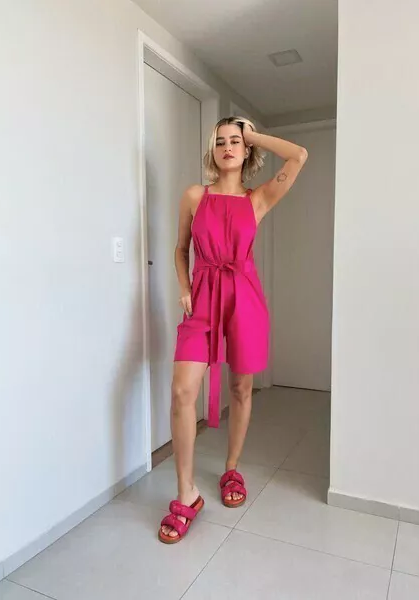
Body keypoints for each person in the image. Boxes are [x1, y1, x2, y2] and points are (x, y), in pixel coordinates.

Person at [158, 116, 308, 543]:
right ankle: (187, 494)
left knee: (242, 388)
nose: (227, 147)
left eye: (235, 141)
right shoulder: (194, 196)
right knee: (182, 391)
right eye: (221, 141)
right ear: (213, 149)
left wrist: (253, 133)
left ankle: (231, 469)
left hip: (244, 296)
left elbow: (299, 156)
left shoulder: (257, 199)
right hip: (202, 296)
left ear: (246, 151)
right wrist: (184, 287)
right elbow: (180, 249)